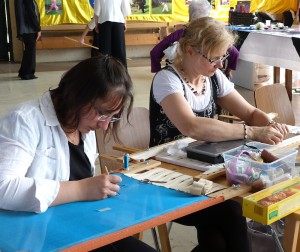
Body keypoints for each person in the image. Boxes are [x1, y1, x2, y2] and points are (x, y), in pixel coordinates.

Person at [149, 17, 289, 252]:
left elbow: (250, 112)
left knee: (216, 242)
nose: (219, 65)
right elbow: (192, 126)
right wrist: (252, 131)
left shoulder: (213, 79)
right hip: (169, 181)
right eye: (214, 58)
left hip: (208, 174)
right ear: (191, 51)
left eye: (223, 57)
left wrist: (270, 124)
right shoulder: (167, 80)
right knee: (231, 211)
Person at [0, 55, 156, 252]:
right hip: (38, 235)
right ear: (77, 97)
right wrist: (82, 190)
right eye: (102, 114)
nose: (105, 125)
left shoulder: (83, 127)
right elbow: (3, 187)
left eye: (112, 117)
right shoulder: (24, 121)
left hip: (80, 225)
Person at [150, 0, 239, 80]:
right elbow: (235, 53)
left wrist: (158, 72)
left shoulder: (181, 32)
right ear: (208, 15)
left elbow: (155, 52)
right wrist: (228, 71)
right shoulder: (214, 35)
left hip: (180, 75)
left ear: (190, 14)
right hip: (202, 77)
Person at [94, 0, 131, 68]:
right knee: (120, 52)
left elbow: (97, 10)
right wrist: (125, 22)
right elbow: (125, 8)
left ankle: (105, 77)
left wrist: (96, 24)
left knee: (104, 52)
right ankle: (122, 76)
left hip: (104, 21)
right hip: (118, 21)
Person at [14, 0, 41, 80]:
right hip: (30, 29)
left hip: (24, 29)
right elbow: (31, 14)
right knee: (30, 52)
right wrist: (37, 29)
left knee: (28, 51)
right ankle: (27, 73)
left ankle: (23, 71)